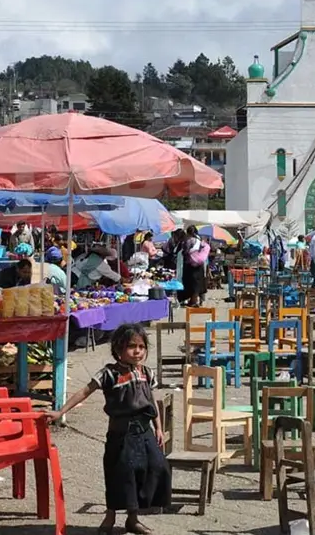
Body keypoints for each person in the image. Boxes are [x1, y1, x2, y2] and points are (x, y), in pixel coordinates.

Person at [46, 324, 169, 534]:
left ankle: (133, 519)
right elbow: (85, 391)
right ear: (118, 349)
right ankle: (110, 516)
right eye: (131, 346)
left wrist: (159, 428)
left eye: (141, 346)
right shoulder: (109, 374)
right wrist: (61, 412)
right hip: (120, 434)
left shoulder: (147, 373)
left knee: (157, 467)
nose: (137, 351)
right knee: (119, 474)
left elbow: (152, 400)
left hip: (144, 431)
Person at [183, 226, 209, 305]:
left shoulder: (189, 240)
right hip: (200, 265)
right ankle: (197, 300)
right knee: (198, 283)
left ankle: (193, 301)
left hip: (190, 264)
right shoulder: (200, 240)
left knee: (191, 283)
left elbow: (185, 252)